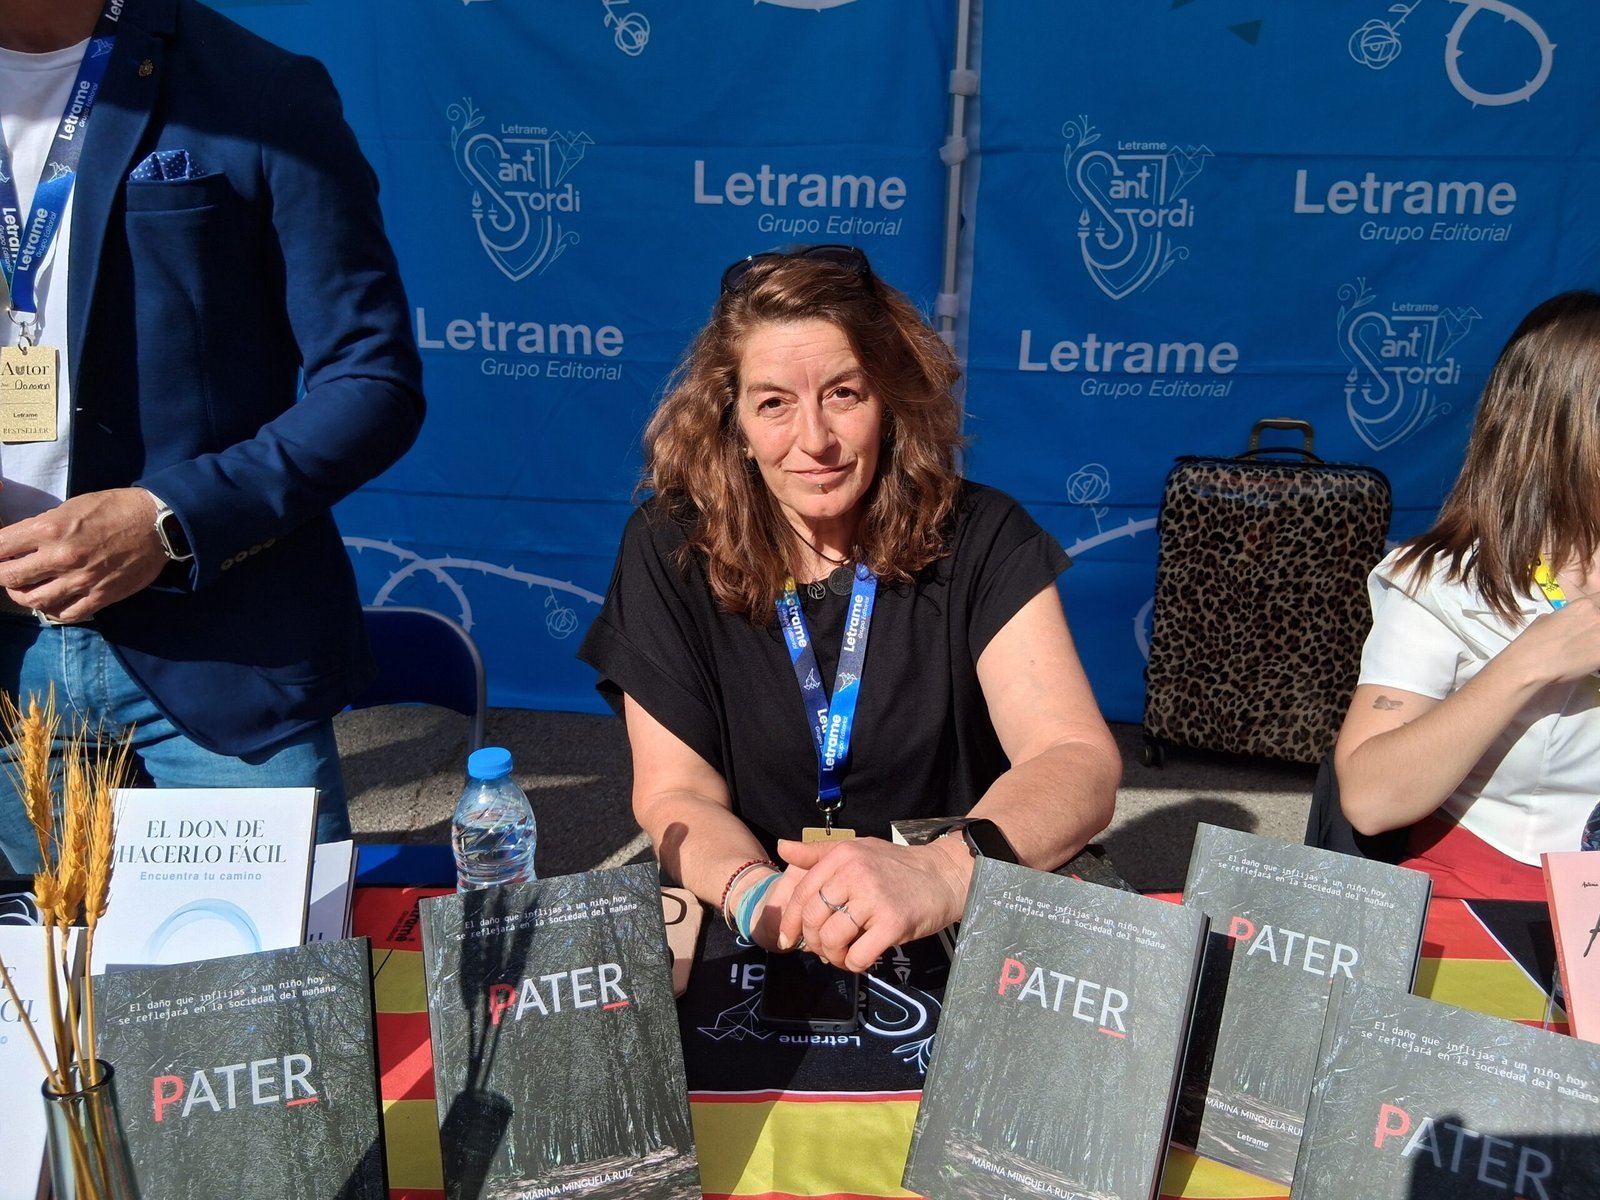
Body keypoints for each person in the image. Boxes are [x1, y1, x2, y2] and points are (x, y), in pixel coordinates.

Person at [579, 244, 1119, 972]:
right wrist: (758, 897)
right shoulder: (670, 546)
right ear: (732, 420)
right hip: (762, 921)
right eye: (774, 402)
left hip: (957, 920)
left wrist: (941, 871)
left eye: (844, 393)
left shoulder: (983, 535)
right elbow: (676, 791)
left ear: (891, 400)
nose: (815, 441)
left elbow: (1074, 759)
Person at [0, 0, 425, 872]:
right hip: (7, 662)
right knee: (45, 1002)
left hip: (224, 653)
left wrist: (166, 520)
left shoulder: (258, 89)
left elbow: (371, 382)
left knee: (268, 1004)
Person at [1334, 291, 1600, 901]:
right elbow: (1371, 800)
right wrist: (1531, 662)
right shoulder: (1446, 581)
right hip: (1498, 899)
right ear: (1563, 430)